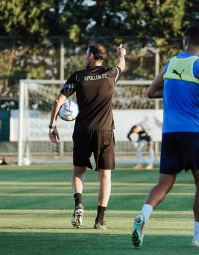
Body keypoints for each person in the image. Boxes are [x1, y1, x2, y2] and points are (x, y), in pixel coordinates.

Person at [131, 25, 199, 249]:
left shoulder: (170, 63)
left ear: (184, 42)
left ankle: (144, 215)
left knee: (163, 182)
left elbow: (151, 92)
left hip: (170, 133)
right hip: (193, 133)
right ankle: (198, 237)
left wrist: (174, 89)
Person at [49, 43, 126, 230]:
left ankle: (79, 204)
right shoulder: (110, 74)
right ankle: (99, 220)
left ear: (91, 56)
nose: (84, 57)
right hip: (105, 131)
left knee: (78, 172)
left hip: (82, 130)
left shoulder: (78, 76)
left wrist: (52, 125)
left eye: (85, 54)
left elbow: (58, 100)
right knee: (104, 176)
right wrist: (121, 53)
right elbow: (121, 66)